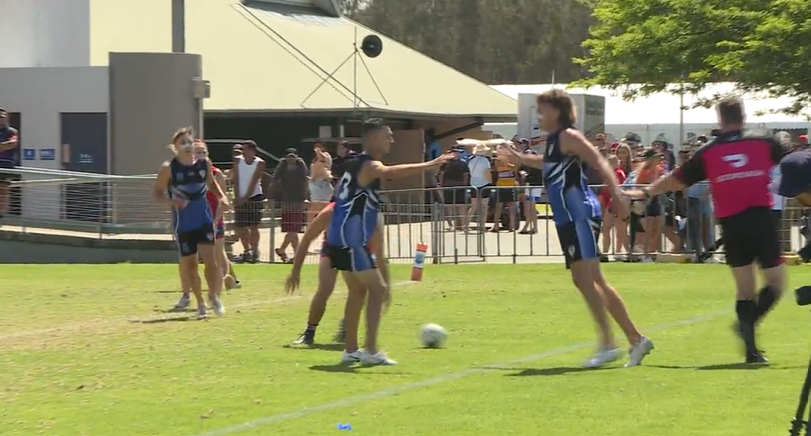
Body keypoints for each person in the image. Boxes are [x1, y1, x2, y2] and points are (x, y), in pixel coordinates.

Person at [500, 89, 653, 368]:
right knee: (592, 279)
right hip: (569, 216)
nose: (539, 115)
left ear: (557, 111)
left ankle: (609, 343)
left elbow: (598, 161)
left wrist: (617, 195)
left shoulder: (570, 136)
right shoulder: (555, 141)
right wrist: (519, 158)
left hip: (578, 213)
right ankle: (635, 339)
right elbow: (548, 165)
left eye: (542, 110)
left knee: (586, 279)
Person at [629, 96, 785, 364]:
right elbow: (795, 163)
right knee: (776, 283)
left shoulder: (709, 152)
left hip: (731, 222)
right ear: (743, 116)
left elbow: (676, 179)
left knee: (744, 289)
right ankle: (749, 324)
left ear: (719, 119)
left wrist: (647, 191)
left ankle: (751, 350)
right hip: (761, 217)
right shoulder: (764, 141)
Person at [325, 118, 454, 365]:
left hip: (340, 238)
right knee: (379, 289)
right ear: (373, 138)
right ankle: (371, 351)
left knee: (357, 291)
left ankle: (351, 349)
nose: (391, 140)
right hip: (350, 240)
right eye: (387, 135)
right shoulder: (369, 164)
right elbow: (388, 172)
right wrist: (430, 164)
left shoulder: (354, 165)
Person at [286, 202, 389, 355]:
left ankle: (349, 330)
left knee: (358, 290)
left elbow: (379, 253)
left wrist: (385, 282)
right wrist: (295, 271)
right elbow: (307, 239)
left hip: (354, 249)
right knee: (325, 288)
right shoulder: (329, 213)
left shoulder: (369, 215)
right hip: (332, 249)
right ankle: (309, 332)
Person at [153, 127, 229, 319]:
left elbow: (211, 184)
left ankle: (213, 295)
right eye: (183, 143)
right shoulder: (169, 168)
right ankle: (200, 303)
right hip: (184, 224)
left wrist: (222, 197)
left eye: (189, 141)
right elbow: (157, 193)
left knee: (211, 261)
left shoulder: (204, 164)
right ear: (175, 148)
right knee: (190, 264)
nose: (187, 145)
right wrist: (173, 201)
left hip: (204, 219)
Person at [232, 140, 266, 263]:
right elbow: (236, 179)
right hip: (239, 196)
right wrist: (237, 197)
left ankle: (255, 250)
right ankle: (247, 251)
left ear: (253, 150)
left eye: (246, 149)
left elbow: (254, 181)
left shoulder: (259, 163)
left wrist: (245, 197)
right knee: (241, 225)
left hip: (255, 196)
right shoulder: (237, 160)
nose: (243, 152)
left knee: (253, 225)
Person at [635, 149, 666, 263]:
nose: (659, 159)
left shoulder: (659, 170)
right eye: (657, 157)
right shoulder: (644, 171)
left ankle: (651, 253)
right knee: (649, 228)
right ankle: (645, 254)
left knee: (656, 228)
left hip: (656, 199)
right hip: (647, 200)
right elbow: (640, 186)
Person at [437, 145, 470, 230]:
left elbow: (465, 175)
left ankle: (462, 225)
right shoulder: (446, 163)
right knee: (449, 206)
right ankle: (451, 225)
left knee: (461, 206)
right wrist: (441, 185)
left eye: (457, 152)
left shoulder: (462, 163)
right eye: (454, 152)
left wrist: (464, 185)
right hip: (448, 186)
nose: (456, 154)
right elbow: (441, 175)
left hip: (459, 186)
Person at [463, 144, 493, 232]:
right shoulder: (485, 160)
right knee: (484, 206)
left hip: (473, 183)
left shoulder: (470, 159)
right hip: (484, 183)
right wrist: (491, 182)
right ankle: (482, 226)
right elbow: (487, 172)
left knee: (473, 206)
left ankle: (466, 225)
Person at [519, 139, 544, 234]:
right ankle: (530, 225)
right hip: (529, 183)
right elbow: (521, 169)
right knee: (529, 205)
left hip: (535, 183)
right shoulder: (524, 158)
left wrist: (525, 174)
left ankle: (532, 226)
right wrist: (522, 172)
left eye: (523, 143)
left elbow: (533, 170)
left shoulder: (531, 155)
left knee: (531, 205)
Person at [491, 149, 519, 232]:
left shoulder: (512, 160)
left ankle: (512, 226)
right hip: (501, 185)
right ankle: (495, 225)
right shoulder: (498, 160)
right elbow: (497, 166)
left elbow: (515, 168)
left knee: (511, 206)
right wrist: (504, 161)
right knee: (498, 206)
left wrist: (507, 162)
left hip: (511, 185)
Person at [0, 109, 19, 218]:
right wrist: (3, 146)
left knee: (3, 190)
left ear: (6, 118)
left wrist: (4, 145)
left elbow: (12, 143)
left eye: (2, 117)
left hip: (5, 165)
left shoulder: (12, 131)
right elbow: (6, 145)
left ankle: (1, 214)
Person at [308, 147, 334, 223]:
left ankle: (312, 229)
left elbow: (323, 159)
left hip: (321, 188)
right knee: (317, 210)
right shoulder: (317, 165)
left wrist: (318, 151)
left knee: (318, 210)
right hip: (320, 187)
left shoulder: (322, 164)